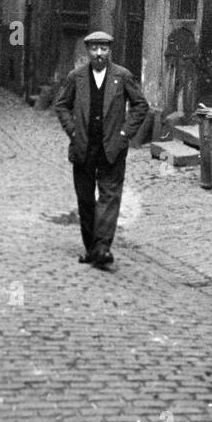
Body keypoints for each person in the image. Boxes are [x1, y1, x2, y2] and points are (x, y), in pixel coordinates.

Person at [53, 30, 149, 269]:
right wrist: (73, 131)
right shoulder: (77, 77)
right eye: (94, 49)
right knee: (85, 199)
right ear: (88, 51)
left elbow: (140, 105)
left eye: (103, 49)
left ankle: (103, 247)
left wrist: (125, 134)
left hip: (111, 148)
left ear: (110, 51)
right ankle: (91, 248)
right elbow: (62, 105)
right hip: (83, 146)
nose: (98, 54)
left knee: (109, 196)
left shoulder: (122, 76)